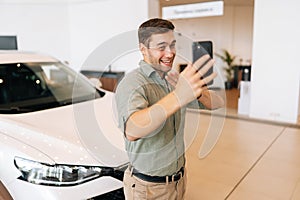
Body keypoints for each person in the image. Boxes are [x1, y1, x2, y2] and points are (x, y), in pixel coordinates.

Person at [115, 18, 224, 200]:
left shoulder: (173, 79)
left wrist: (196, 93)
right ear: (143, 49)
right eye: (161, 47)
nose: (170, 53)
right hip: (147, 188)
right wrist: (178, 96)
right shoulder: (133, 83)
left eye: (173, 45)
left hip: (178, 181)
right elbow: (132, 130)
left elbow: (217, 103)